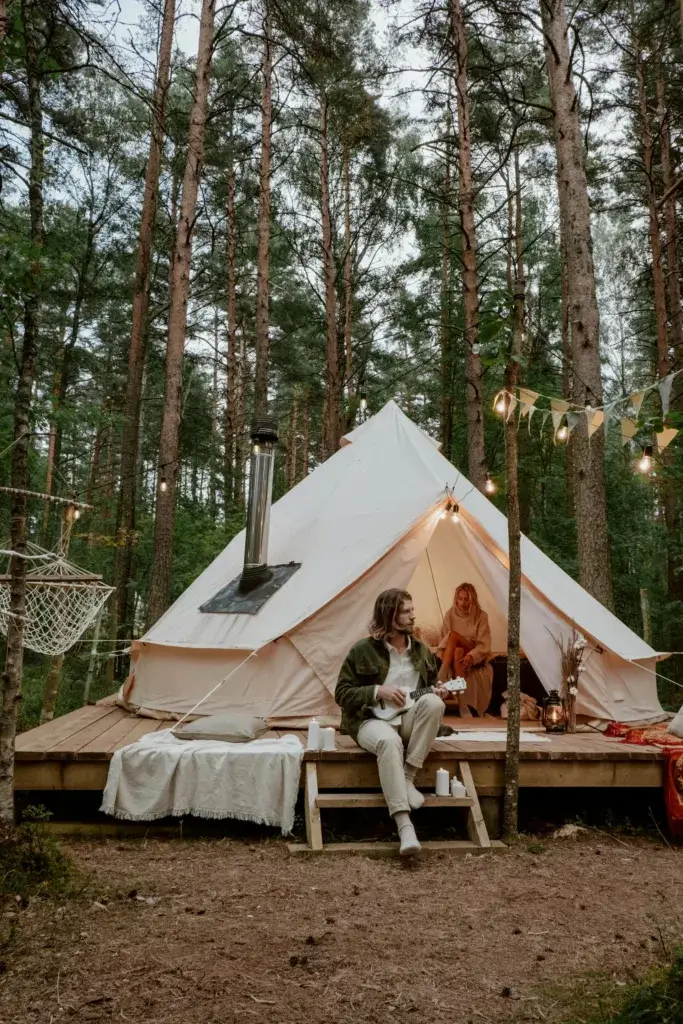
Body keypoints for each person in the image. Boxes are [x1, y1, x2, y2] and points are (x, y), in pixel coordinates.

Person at [335, 588, 451, 857]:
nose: (413, 616)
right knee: (389, 742)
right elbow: (341, 694)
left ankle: (408, 776)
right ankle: (404, 825)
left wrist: (439, 690)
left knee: (434, 703)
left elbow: (431, 687)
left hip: (407, 720)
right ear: (390, 615)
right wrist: (378, 691)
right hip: (370, 719)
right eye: (406, 611)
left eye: (413, 610)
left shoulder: (421, 651)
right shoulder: (362, 650)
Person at [437, 582, 493, 717]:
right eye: (460, 598)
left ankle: (441, 675)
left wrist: (472, 656)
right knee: (457, 651)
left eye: (466, 599)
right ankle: (462, 704)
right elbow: (443, 642)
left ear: (472, 599)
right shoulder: (450, 614)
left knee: (453, 634)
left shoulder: (481, 616)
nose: (462, 603)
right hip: (454, 652)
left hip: (473, 651)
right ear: (456, 599)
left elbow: (483, 644)